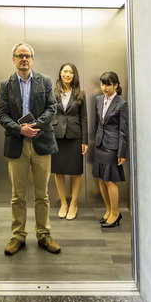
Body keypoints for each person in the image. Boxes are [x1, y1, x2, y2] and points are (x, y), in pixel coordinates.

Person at [0, 42, 62, 255]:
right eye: (20, 55)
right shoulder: (6, 85)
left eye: (27, 56)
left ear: (32, 59)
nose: (24, 59)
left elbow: (52, 107)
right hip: (17, 144)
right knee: (18, 195)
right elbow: (1, 113)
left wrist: (35, 126)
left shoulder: (45, 81)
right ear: (13, 59)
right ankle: (18, 236)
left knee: (42, 195)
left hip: (41, 142)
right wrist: (19, 129)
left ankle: (44, 234)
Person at [51, 63, 88, 220]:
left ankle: (73, 203)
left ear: (74, 75)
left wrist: (85, 141)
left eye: (70, 72)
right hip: (57, 136)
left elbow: (84, 118)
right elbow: (49, 114)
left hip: (75, 136)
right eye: (65, 71)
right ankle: (63, 204)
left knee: (76, 172)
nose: (67, 74)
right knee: (58, 171)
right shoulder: (53, 93)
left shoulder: (80, 94)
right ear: (60, 73)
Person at [91, 71, 128, 228]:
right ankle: (108, 210)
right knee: (100, 179)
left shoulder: (121, 103)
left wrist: (122, 152)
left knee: (110, 180)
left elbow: (123, 130)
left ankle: (115, 213)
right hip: (100, 144)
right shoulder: (98, 100)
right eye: (103, 84)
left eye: (108, 84)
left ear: (116, 85)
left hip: (112, 146)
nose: (105, 87)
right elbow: (97, 123)